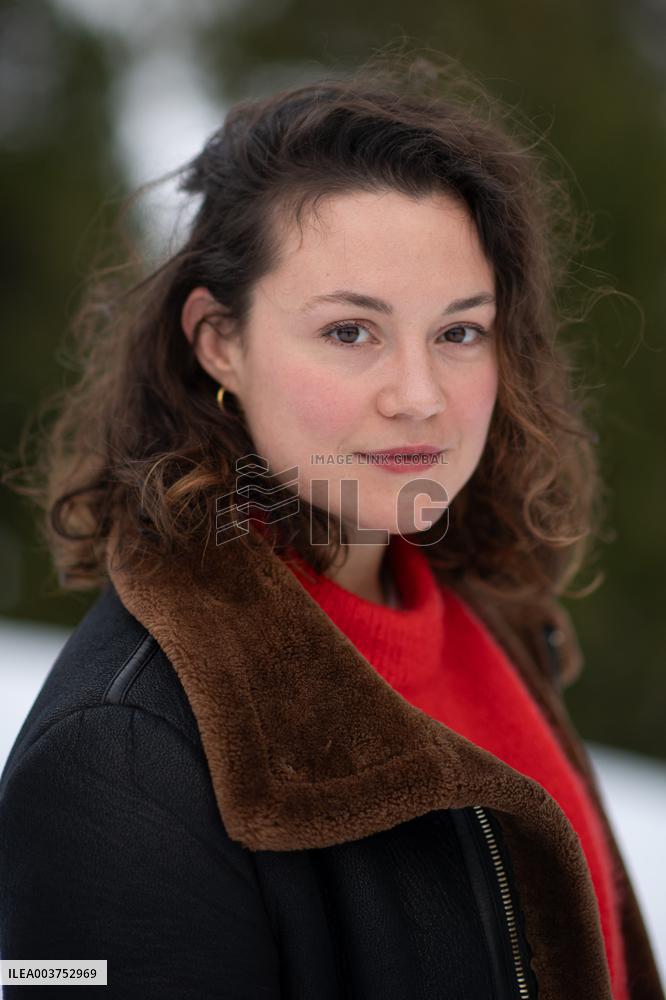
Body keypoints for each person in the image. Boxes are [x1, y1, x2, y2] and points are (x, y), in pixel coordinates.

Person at [0, 50, 662, 1000]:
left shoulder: (491, 615)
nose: (420, 396)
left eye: (459, 331)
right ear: (219, 340)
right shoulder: (119, 751)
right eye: (351, 331)